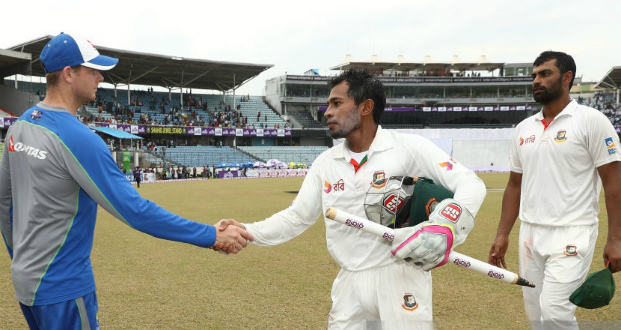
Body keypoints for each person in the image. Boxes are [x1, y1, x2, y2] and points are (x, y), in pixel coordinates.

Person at [0, 33, 253, 330]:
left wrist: (23, 260)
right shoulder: (78, 138)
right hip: (63, 287)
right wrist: (210, 235)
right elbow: (134, 210)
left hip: (28, 283)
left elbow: (6, 204)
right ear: (69, 74)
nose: (100, 78)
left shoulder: (20, 126)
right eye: (93, 70)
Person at [216, 69, 486, 329]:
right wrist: (247, 230)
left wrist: (446, 225)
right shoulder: (325, 163)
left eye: (336, 103)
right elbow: (297, 217)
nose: (327, 112)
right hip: (349, 283)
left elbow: (470, 183)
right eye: (328, 104)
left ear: (365, 107)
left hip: (401, 277)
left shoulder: (409, 148)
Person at [488, 51, 621, 330]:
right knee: (535, 315)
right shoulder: (523, 128)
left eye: (544, 74)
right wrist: (502, 234)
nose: (536, 80)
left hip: (573, 231)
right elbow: (514, 185)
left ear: (567, 78)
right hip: (530, 234)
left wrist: (616, 239)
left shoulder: (591, 121)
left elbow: (613, 184)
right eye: (534, 75)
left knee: (555, 312)